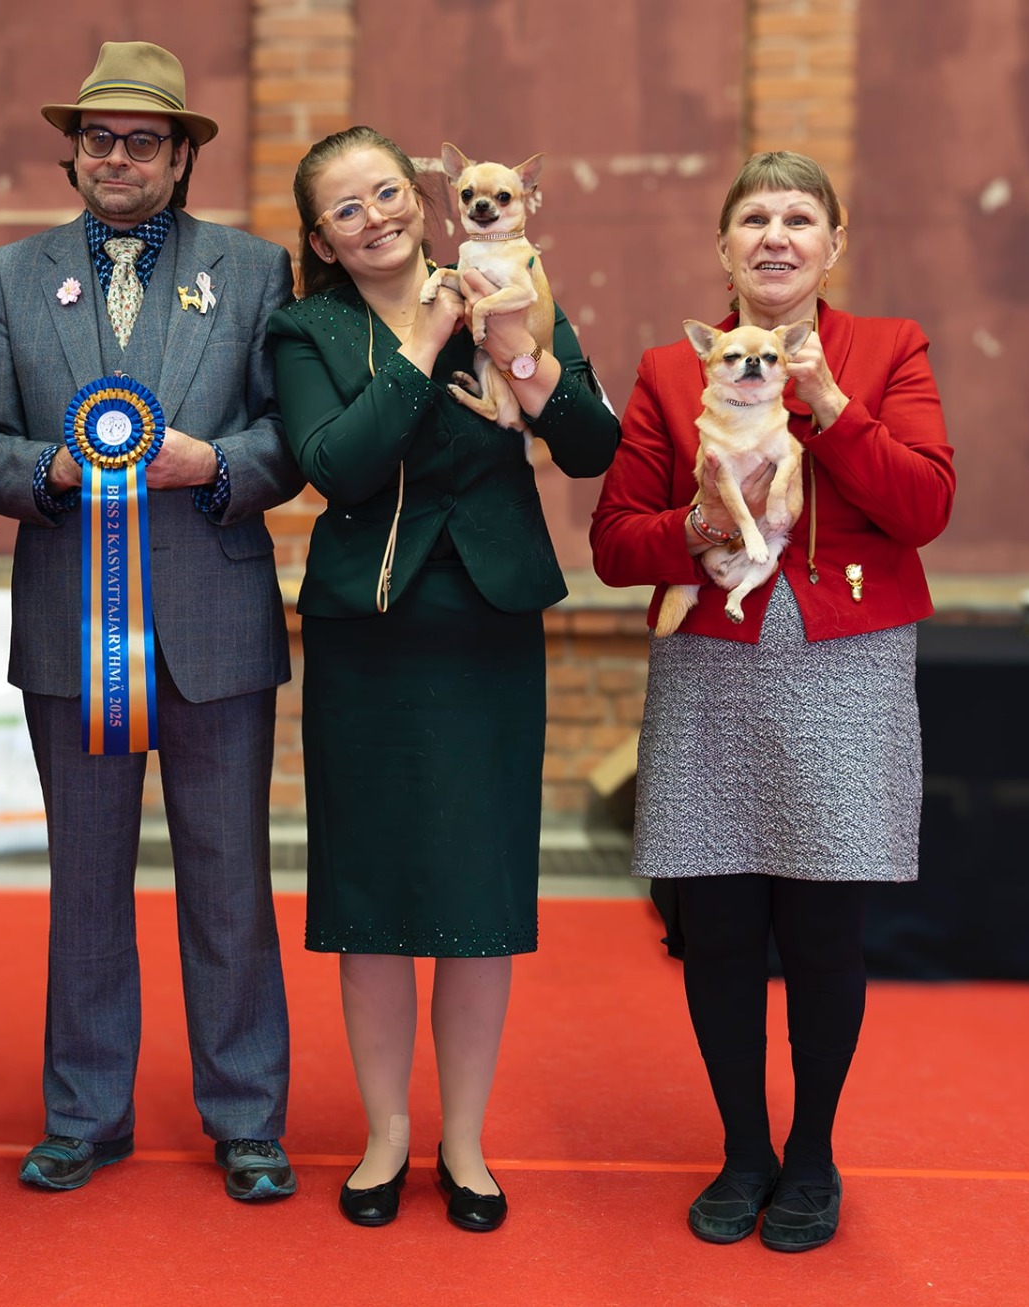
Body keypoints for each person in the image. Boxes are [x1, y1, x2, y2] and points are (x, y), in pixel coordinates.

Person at [590, 151, 955, 1252]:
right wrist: (702, 529)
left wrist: (833, 410)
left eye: (802, 217)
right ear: (724, 247)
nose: (777, 235)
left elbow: (926, 504)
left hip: (848, 661)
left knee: (825, 923)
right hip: (710, 656)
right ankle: (743, 1145)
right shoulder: (668, 368)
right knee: (719, 925)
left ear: (834, 244)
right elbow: (615, 544)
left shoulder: (888, 350)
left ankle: (812, 1153)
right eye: (755, 217)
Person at [267, 126, 621, 1231]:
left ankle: (464, 1140)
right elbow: (335, 463)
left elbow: (592, 442)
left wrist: (518, 349)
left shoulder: (501, 272)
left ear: (421, 197)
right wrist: (424, 345)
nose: (374, 216)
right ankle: (386, 1134)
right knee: (370, 892)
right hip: (370, 628)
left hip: (488, 617)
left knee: (478, 888)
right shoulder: (304, 326)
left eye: (387, 192)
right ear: (320, 237)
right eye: (345, 208)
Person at [0, 40, 303, 1200]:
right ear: (73, 155)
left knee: (230, 876)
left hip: (215, 621)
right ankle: (84, 1111)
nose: (119, 157)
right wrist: (50, 474)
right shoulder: (12, 275)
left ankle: (247, 1113)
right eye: (99, 139)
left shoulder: (255, 271)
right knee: (86, 879)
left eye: (143, 140)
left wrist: (217, 462)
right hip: (73, 627)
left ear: (181, 156)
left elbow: (288, 434)